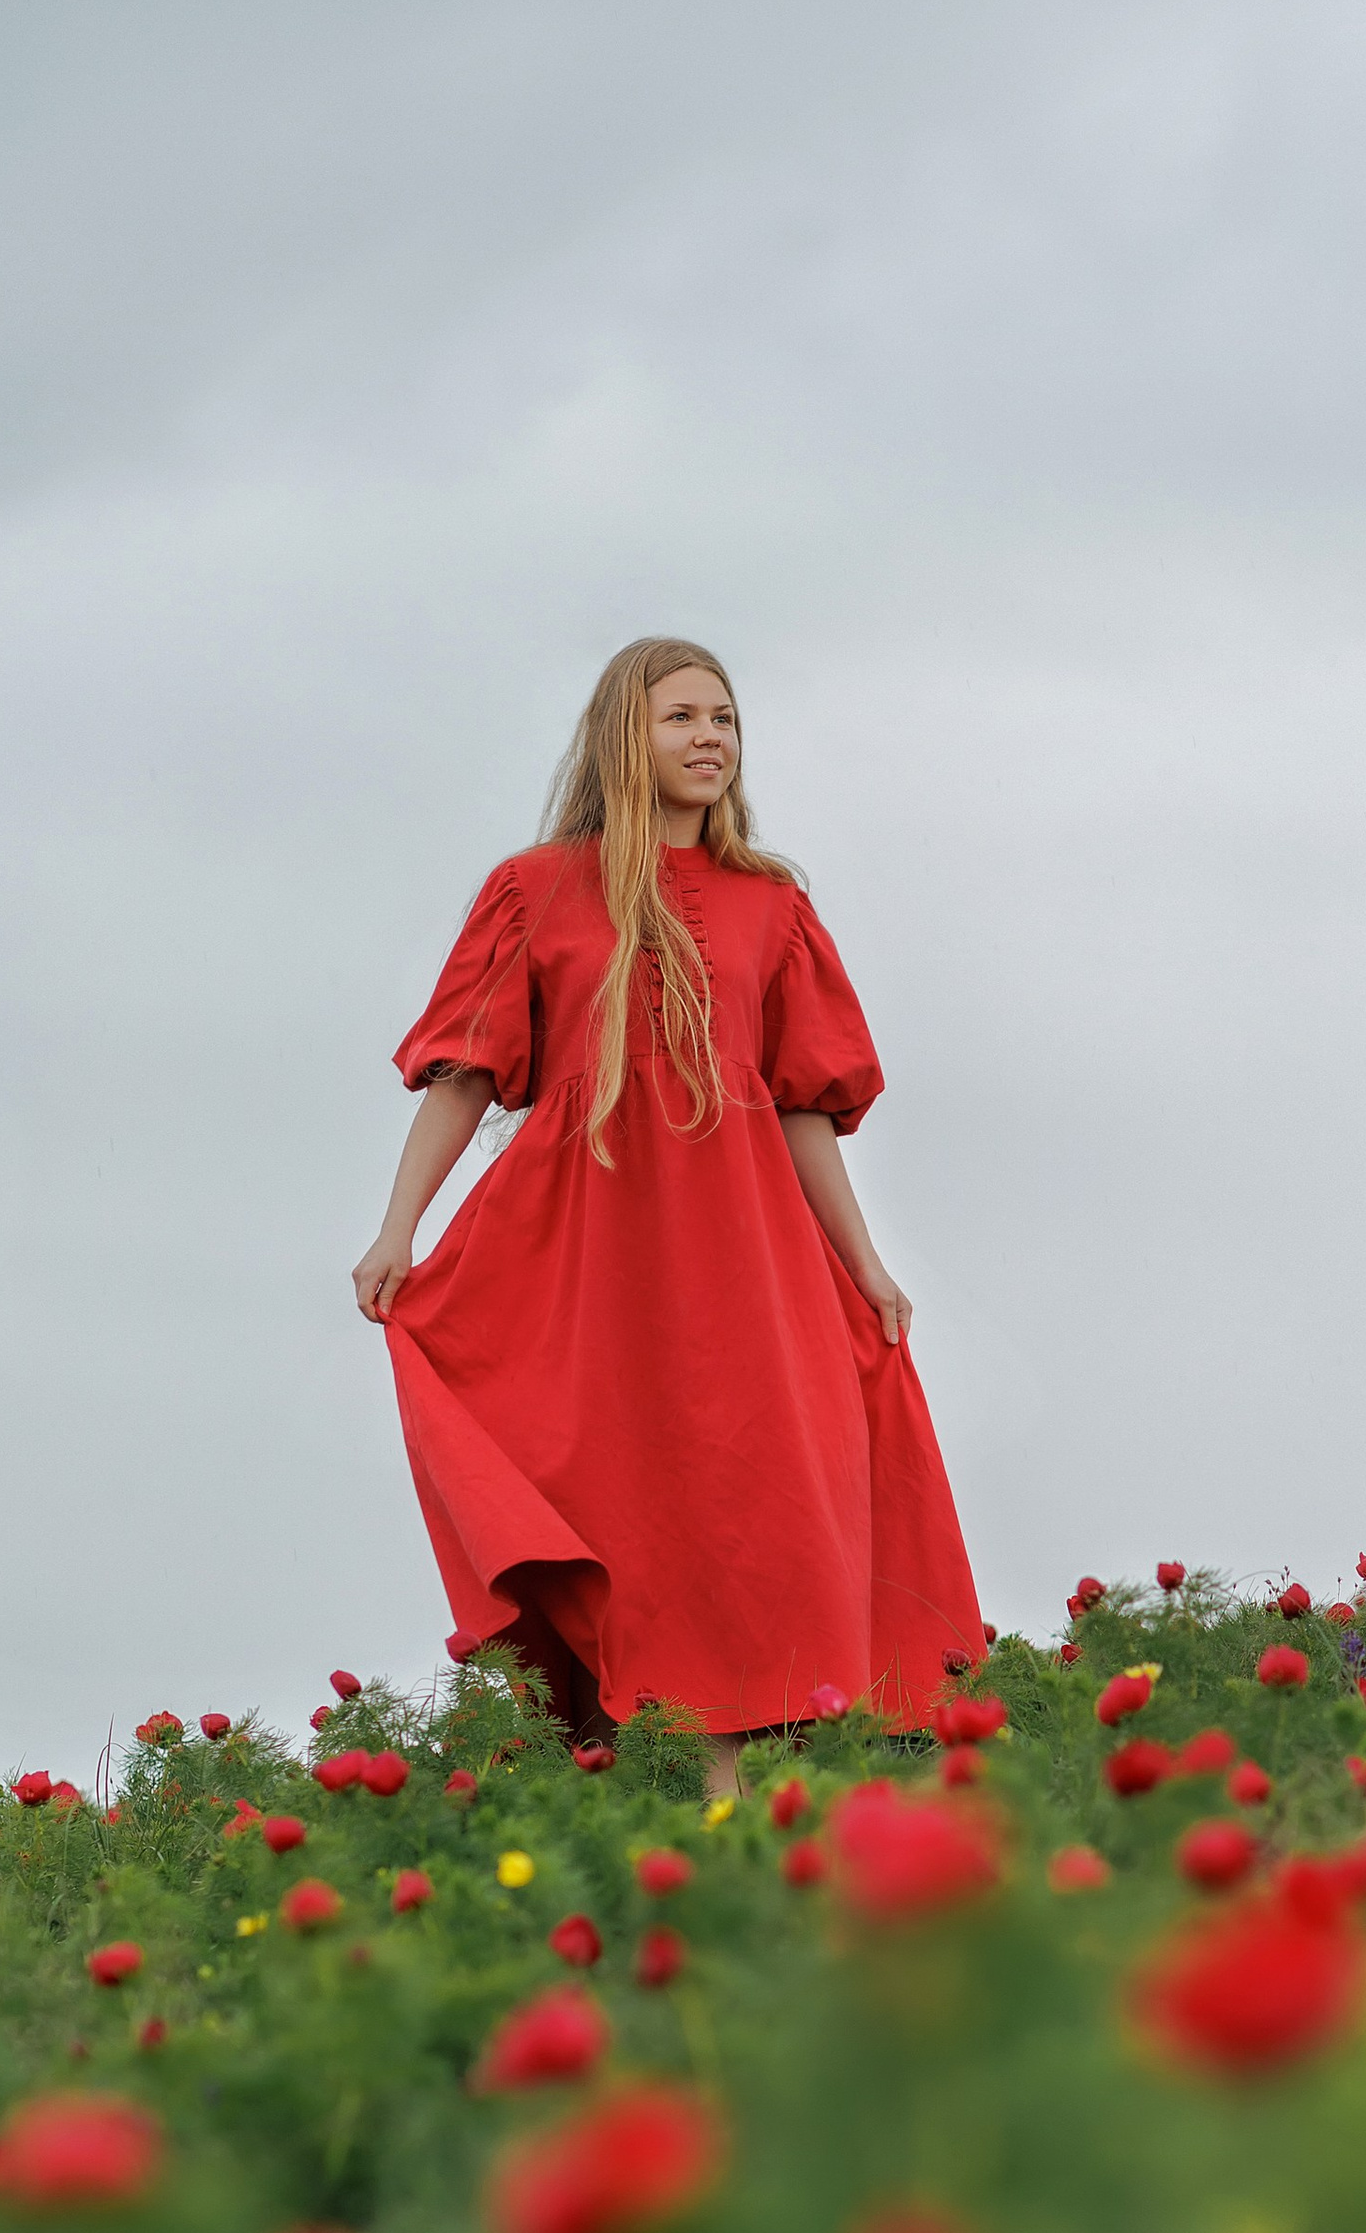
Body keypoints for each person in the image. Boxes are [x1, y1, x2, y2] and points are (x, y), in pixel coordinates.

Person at [353, 636, 984, 1792]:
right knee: (633, 1487)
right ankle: (694, 1787)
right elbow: (468, 1074)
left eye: (725, 720)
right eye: (681, 717)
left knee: (760, 1490)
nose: (709, 738)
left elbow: (801, 1107)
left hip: (746, 1249)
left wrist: (869, 1265)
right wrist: (399, 1228)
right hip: (591, 1252)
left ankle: (743, 1801)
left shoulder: (772, 907)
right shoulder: (533, 891)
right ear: (621, 738)